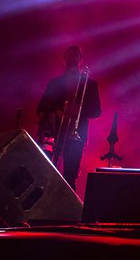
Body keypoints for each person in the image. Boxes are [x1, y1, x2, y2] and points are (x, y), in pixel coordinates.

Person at [36, 46, 101, 192]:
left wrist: (79, 110)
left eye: (75, 55)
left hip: (76, 135)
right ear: (64, 59)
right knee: (47, 173)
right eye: (69, 54)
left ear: (80, 60)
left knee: (70, 176)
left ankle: (67, 204)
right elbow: (41, 107)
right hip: (54, 133)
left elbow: (96, 112)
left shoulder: (90, 84)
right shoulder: (54, 83)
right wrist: (57, 111)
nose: (72, 57)